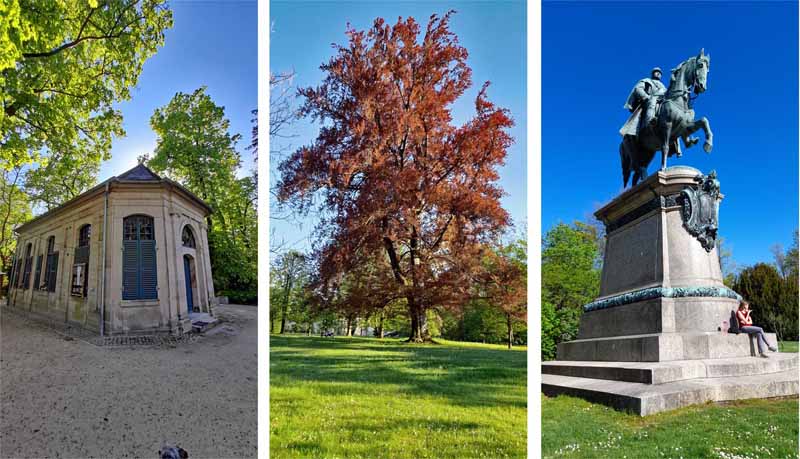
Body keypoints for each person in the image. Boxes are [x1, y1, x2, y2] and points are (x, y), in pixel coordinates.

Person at [621, 67, 667, 136]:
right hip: (648, 101)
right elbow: (638, 89)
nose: (658, 74)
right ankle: (650, 120)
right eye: (656, 72)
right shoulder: (646, 80)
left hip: (660, 102)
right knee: (652, 101)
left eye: (660, 73)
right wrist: (646, 97)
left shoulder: (663, 87)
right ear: (652, 74)